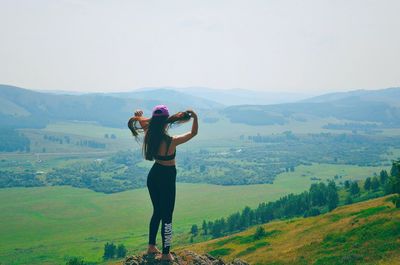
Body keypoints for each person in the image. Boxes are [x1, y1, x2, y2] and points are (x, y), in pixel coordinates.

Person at [127, 105, 198, 261]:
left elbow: (143, 123)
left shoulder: (150, 135)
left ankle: (151, 246)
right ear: (166, 121)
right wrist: (195, 117)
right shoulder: (172, 141)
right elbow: (193, 133)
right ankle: (166, 253)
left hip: (154, 176)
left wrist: (139, 116)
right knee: (167, 216)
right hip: (167, 177)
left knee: (157, 212)